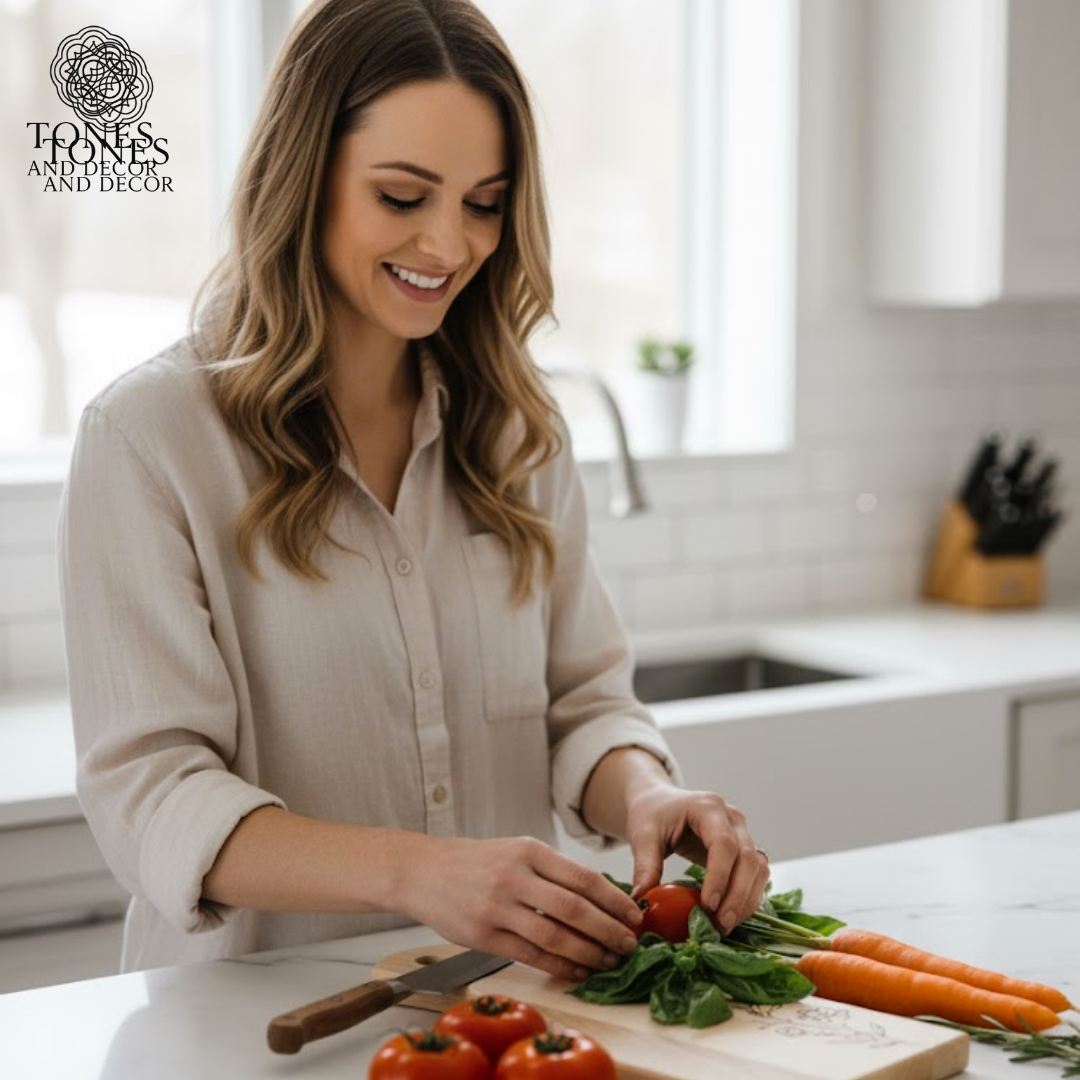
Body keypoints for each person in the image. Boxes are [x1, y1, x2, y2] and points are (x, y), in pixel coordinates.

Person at [57, 0, 769, 979]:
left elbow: (582, 705)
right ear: (303, 178)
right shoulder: (151, 441)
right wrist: (419, 875)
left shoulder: (523, 430)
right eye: (402, 196)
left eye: (483, 202)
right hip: (256, 1030)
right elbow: (152, 796)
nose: (448, 245)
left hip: (506, 1016)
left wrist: (642, 792)